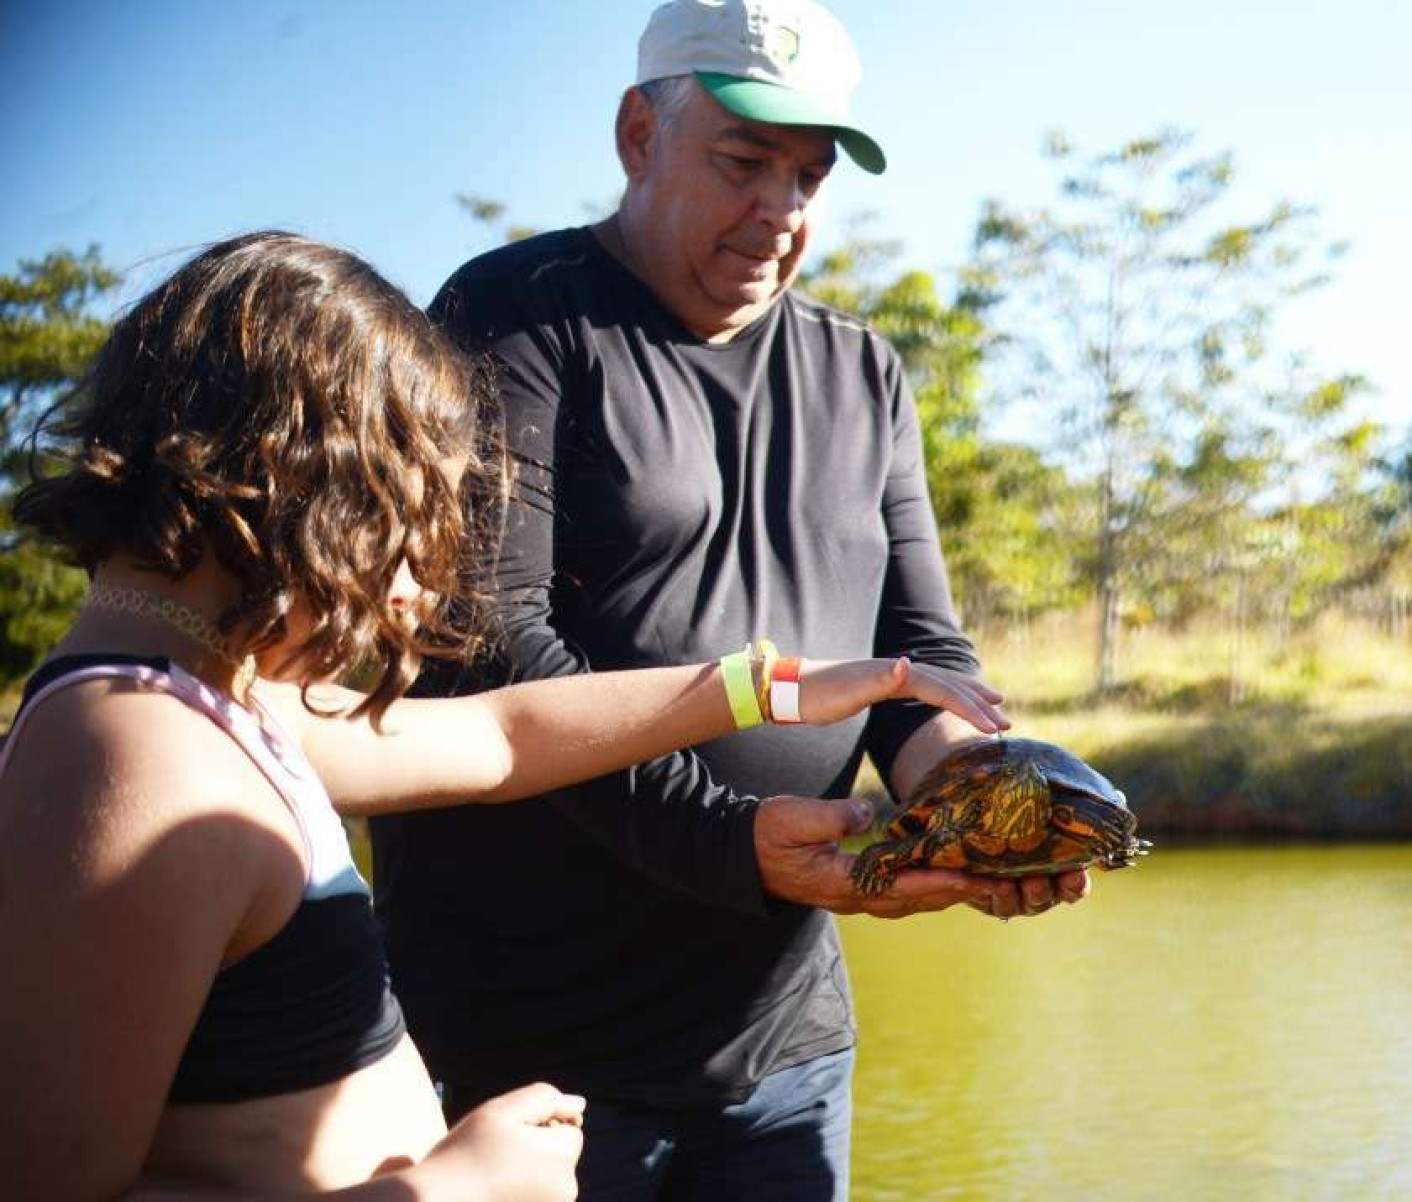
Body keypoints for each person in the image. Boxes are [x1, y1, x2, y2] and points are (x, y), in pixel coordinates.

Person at [0, 231, 1012, 1201]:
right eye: (398, 524)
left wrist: (774, 684)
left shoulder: (222, 705)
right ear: (299, 476)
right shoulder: (127, 755)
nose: (408, 594)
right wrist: (443, 1188)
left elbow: (502, 736)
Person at [369, 2, 1088, 1197]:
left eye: (807, 176)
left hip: (778, 1046)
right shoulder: (518, 315)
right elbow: (492, 646)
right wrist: (730, 842)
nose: (780, 212)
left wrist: (975, 803)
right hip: (530, 1058)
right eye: (742, 163)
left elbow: (916, 655)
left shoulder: (862, 369)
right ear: (638, 133)